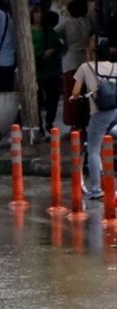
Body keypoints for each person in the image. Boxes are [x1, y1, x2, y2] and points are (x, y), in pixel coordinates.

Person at [71, 36, 117, 200]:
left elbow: (76, 92)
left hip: (99, 114)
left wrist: (74, 97)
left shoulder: (85, 67)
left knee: (93, 150)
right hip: (115, 112)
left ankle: (96, 188)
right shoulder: (115, 67)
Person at [57, 0, 93, 134]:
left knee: (72, 93)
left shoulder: (66, 23)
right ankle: (84, 121)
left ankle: (74, 122)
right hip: (84, 59)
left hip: (70, 59)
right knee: (85, 93)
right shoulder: (87, 23)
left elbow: (54, 33)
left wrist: (62, 47)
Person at [31, 4, 61, 132]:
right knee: (36, 100)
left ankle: (49, 121)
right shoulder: (26, 30)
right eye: (35, 12)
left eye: (40, 12)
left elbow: (57, 46)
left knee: (52, 98)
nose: (38, 15)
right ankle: (38, 124)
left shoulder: (48, 29)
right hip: (34, 69)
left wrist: (51, 51)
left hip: (49, 69)